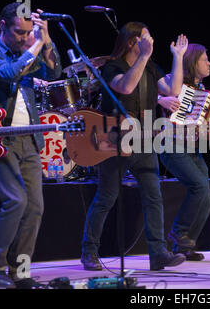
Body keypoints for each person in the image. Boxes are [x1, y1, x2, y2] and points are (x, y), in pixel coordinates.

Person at [81, 22, 189, 271]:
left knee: (154, 196)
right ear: (132, 42)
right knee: (106, 197)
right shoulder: (113, 67)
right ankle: (89, 251)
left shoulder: (150, 66)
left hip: (145, 139)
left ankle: (158, 253)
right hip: (116, 141)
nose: (151, 40)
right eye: (146, 37)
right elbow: (126, 86)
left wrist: (179, 58)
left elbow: (173, 89)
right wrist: (143, 56)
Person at [0, 2, 62, 288]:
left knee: (34, 207)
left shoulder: (26, 51)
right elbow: (11, 73)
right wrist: (34, 45)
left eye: (28, 33)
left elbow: (54, 72)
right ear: (2, 26)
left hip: (29, 137)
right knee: (16, 201)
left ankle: (20, 271)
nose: (25, 38)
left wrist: (46, 43)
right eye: (19, 32)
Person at [158, 44, 210, 261]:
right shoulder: (172, 80)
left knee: (205, 195)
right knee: (199, 186)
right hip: (171, 144)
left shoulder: (201, 88)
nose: (209, 63)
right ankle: (178, 233)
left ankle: (184, 245)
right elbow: (145, 90)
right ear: (193, 62)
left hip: (191, 146)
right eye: (205, 59)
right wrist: (159, 99)